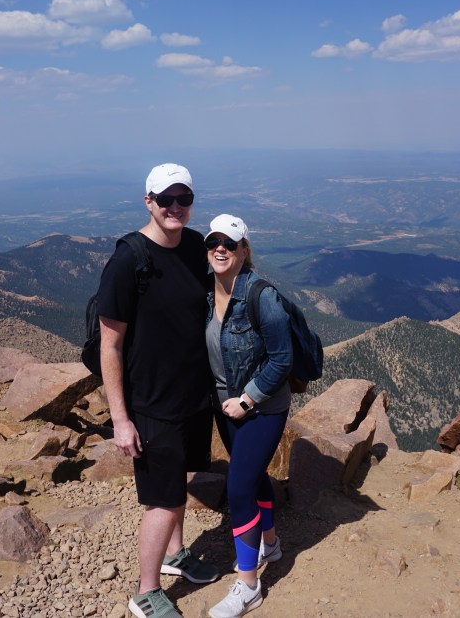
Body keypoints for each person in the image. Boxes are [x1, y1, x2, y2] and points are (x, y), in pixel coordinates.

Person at [95, 163, 218, 618]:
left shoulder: (194, 246)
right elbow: (110, 345)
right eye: (165, 199)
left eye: (183, 199)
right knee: (163, 500)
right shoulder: (128, 260)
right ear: (148, 201)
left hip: (191, 395)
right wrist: (121, 419)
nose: (175, 207)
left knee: (178, 481)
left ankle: (175, 554)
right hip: (151, 402)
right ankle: (146, 592)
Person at [204, 214, 292, 618]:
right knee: (253, 478)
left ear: (244, 250)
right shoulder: (207, 292)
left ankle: (249, 585)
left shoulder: (261, 296)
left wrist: (248, 399)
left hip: (263, 407)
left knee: (238, 489)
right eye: (213, 242)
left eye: (229, 243)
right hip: (225, 406)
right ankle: (270, 544)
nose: (220, 248)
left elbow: (282, 359)